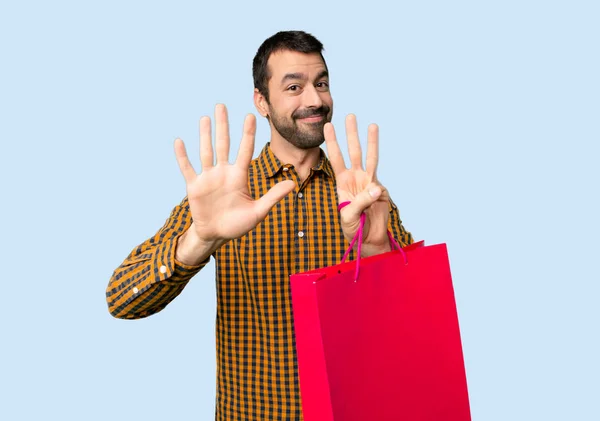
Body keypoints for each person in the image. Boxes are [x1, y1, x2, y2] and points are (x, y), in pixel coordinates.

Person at [106, 30, 414, 421]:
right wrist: (200, 238)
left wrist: (375, 252)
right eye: (294, 87)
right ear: (261, 102)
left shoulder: (363, 193)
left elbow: (411, 327)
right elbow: (122, 300)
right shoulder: (226, 195)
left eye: (322, 84)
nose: (315, 99)